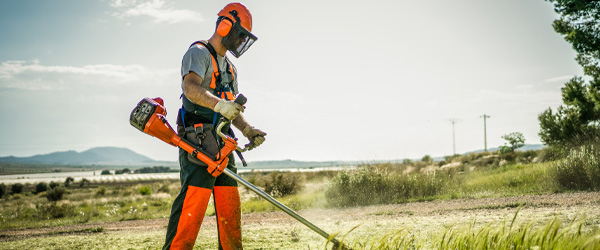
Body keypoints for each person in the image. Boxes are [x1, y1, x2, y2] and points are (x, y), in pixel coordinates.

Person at [163, 3, 266, 250]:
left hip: (224, 145)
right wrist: (220, 105)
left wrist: (247, 129)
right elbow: (190, 87)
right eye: (241, 35)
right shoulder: (198, 53)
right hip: (197, 144)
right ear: (225, 25)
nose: (242, 41)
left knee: (229, 211)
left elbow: (232, 109)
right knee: (191, 211)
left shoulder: (231, 68)